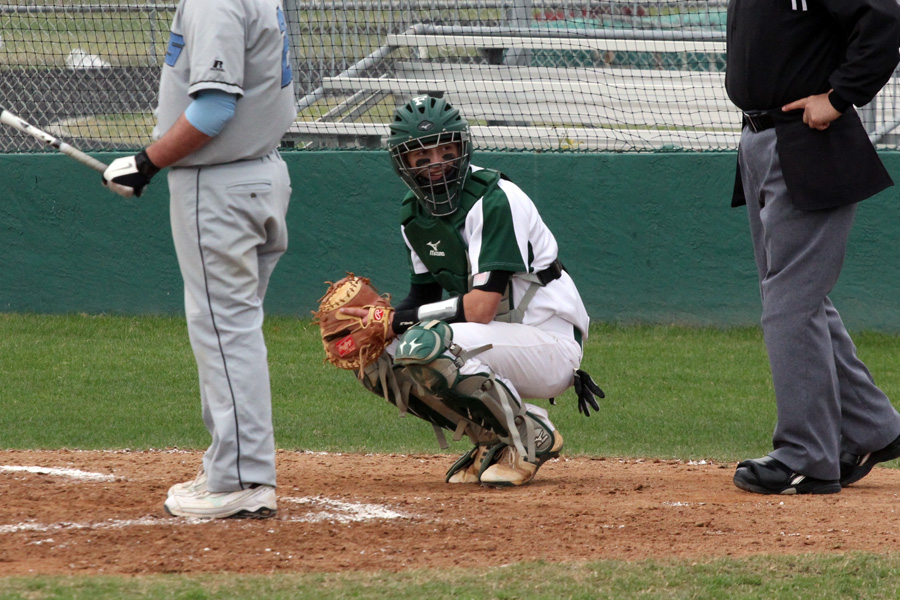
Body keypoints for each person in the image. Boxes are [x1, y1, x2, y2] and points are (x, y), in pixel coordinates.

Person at [343, 95, 601, 487]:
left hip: (550, 343)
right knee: (375, 355)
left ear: (462, 149)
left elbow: (481, 308)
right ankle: (493, 438)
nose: (437, 166)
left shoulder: (495, 199)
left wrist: (400, 321)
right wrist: (382, 324)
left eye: (446, 152)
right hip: (490, 341)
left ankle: (529, 435)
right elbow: (422, 301)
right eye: (422, 158)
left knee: (424, 344)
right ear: (404, 165)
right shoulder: (414, 216)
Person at [102, 0, 296, 517]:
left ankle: (242, 477)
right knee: (233, 328)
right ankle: (230, 465)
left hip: (221, 186)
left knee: (224, 330)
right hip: (259, 174)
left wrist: (145, 163)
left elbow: (212, 109)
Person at [726, 0, 900, 495]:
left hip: (807, 139)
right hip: (761, 139)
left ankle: (807, 456)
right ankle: (874, 427)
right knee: (797, 301)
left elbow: (884, 21)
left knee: (790, 304)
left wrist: (841, 95)